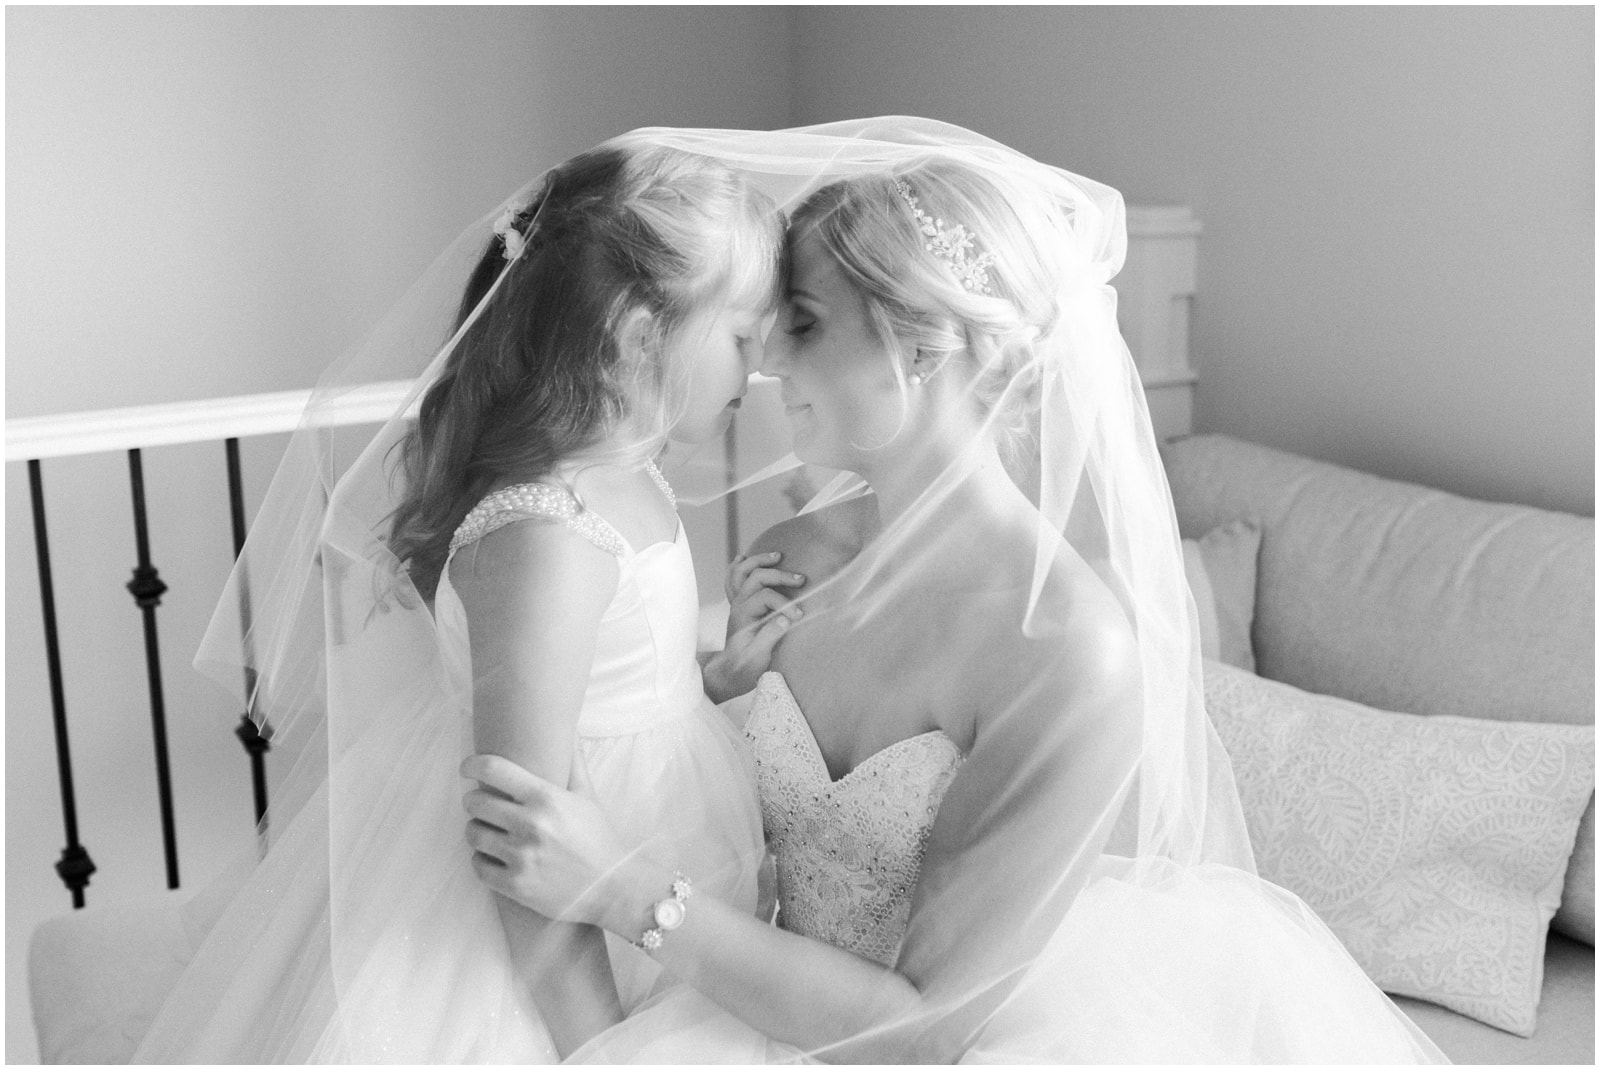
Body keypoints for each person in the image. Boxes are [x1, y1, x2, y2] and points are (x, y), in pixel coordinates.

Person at [459, 121, 1450, 1062]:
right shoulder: (789, 557)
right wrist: (716, 692)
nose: (765, 357)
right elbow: (713, 811)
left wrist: (625, 888)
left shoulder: (1071, 649)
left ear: (925, 345)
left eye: (802, 321)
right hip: (738, 1002)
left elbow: (927, 1030)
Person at [133, 139, 799, 1061]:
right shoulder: (549, 536)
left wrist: (707, 678)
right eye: (740, 339)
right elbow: (525, 849)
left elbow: (597, 694)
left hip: (647, 851)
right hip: (558, 947)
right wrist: (601, 1050)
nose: (758, 368)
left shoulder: (623, 478)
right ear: (644, 335)